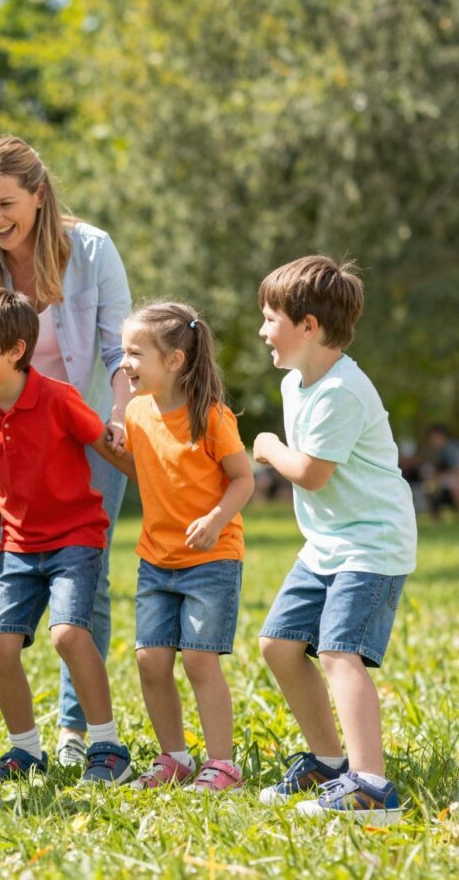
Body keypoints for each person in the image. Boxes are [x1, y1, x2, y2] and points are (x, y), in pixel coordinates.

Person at [0, 135, 132, 770]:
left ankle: (78, 733)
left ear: (39, 196)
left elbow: (118, 352)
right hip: (7, 442)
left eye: (6, 204)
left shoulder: (91, 250)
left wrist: (122, 418)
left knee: (85, 590)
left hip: (83, 430)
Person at [254, 256, 415, 825]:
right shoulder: (297, 381)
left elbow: (312, 473)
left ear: (308, 327)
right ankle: (328, 762)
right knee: (278, 644)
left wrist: (268, 446)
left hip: (370, 545)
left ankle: (371, 788)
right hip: (326, 544)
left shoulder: (343, 390)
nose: (261, 330)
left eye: (270, 318)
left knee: (340, 652)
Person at [0, 289, 132, 783]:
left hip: (76, 537)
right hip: (18, 544)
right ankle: (25, 751)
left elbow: (108, 449)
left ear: (14, 351)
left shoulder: (58, 397)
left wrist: (164, 489)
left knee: (69, 633)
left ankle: (106, 747)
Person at [111, 303, 254, 793]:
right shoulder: (134, 413)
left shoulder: (210, 416)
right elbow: (145, 472)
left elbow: (243, 479)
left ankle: (222, 765)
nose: (124, 362)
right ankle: (173, 757)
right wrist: (109, 449)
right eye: (123, 351)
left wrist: (216, 519)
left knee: (198, 659)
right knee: (150, 660)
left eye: (134, 353)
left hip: (211, 559)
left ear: (173, 360)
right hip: (156, 558)